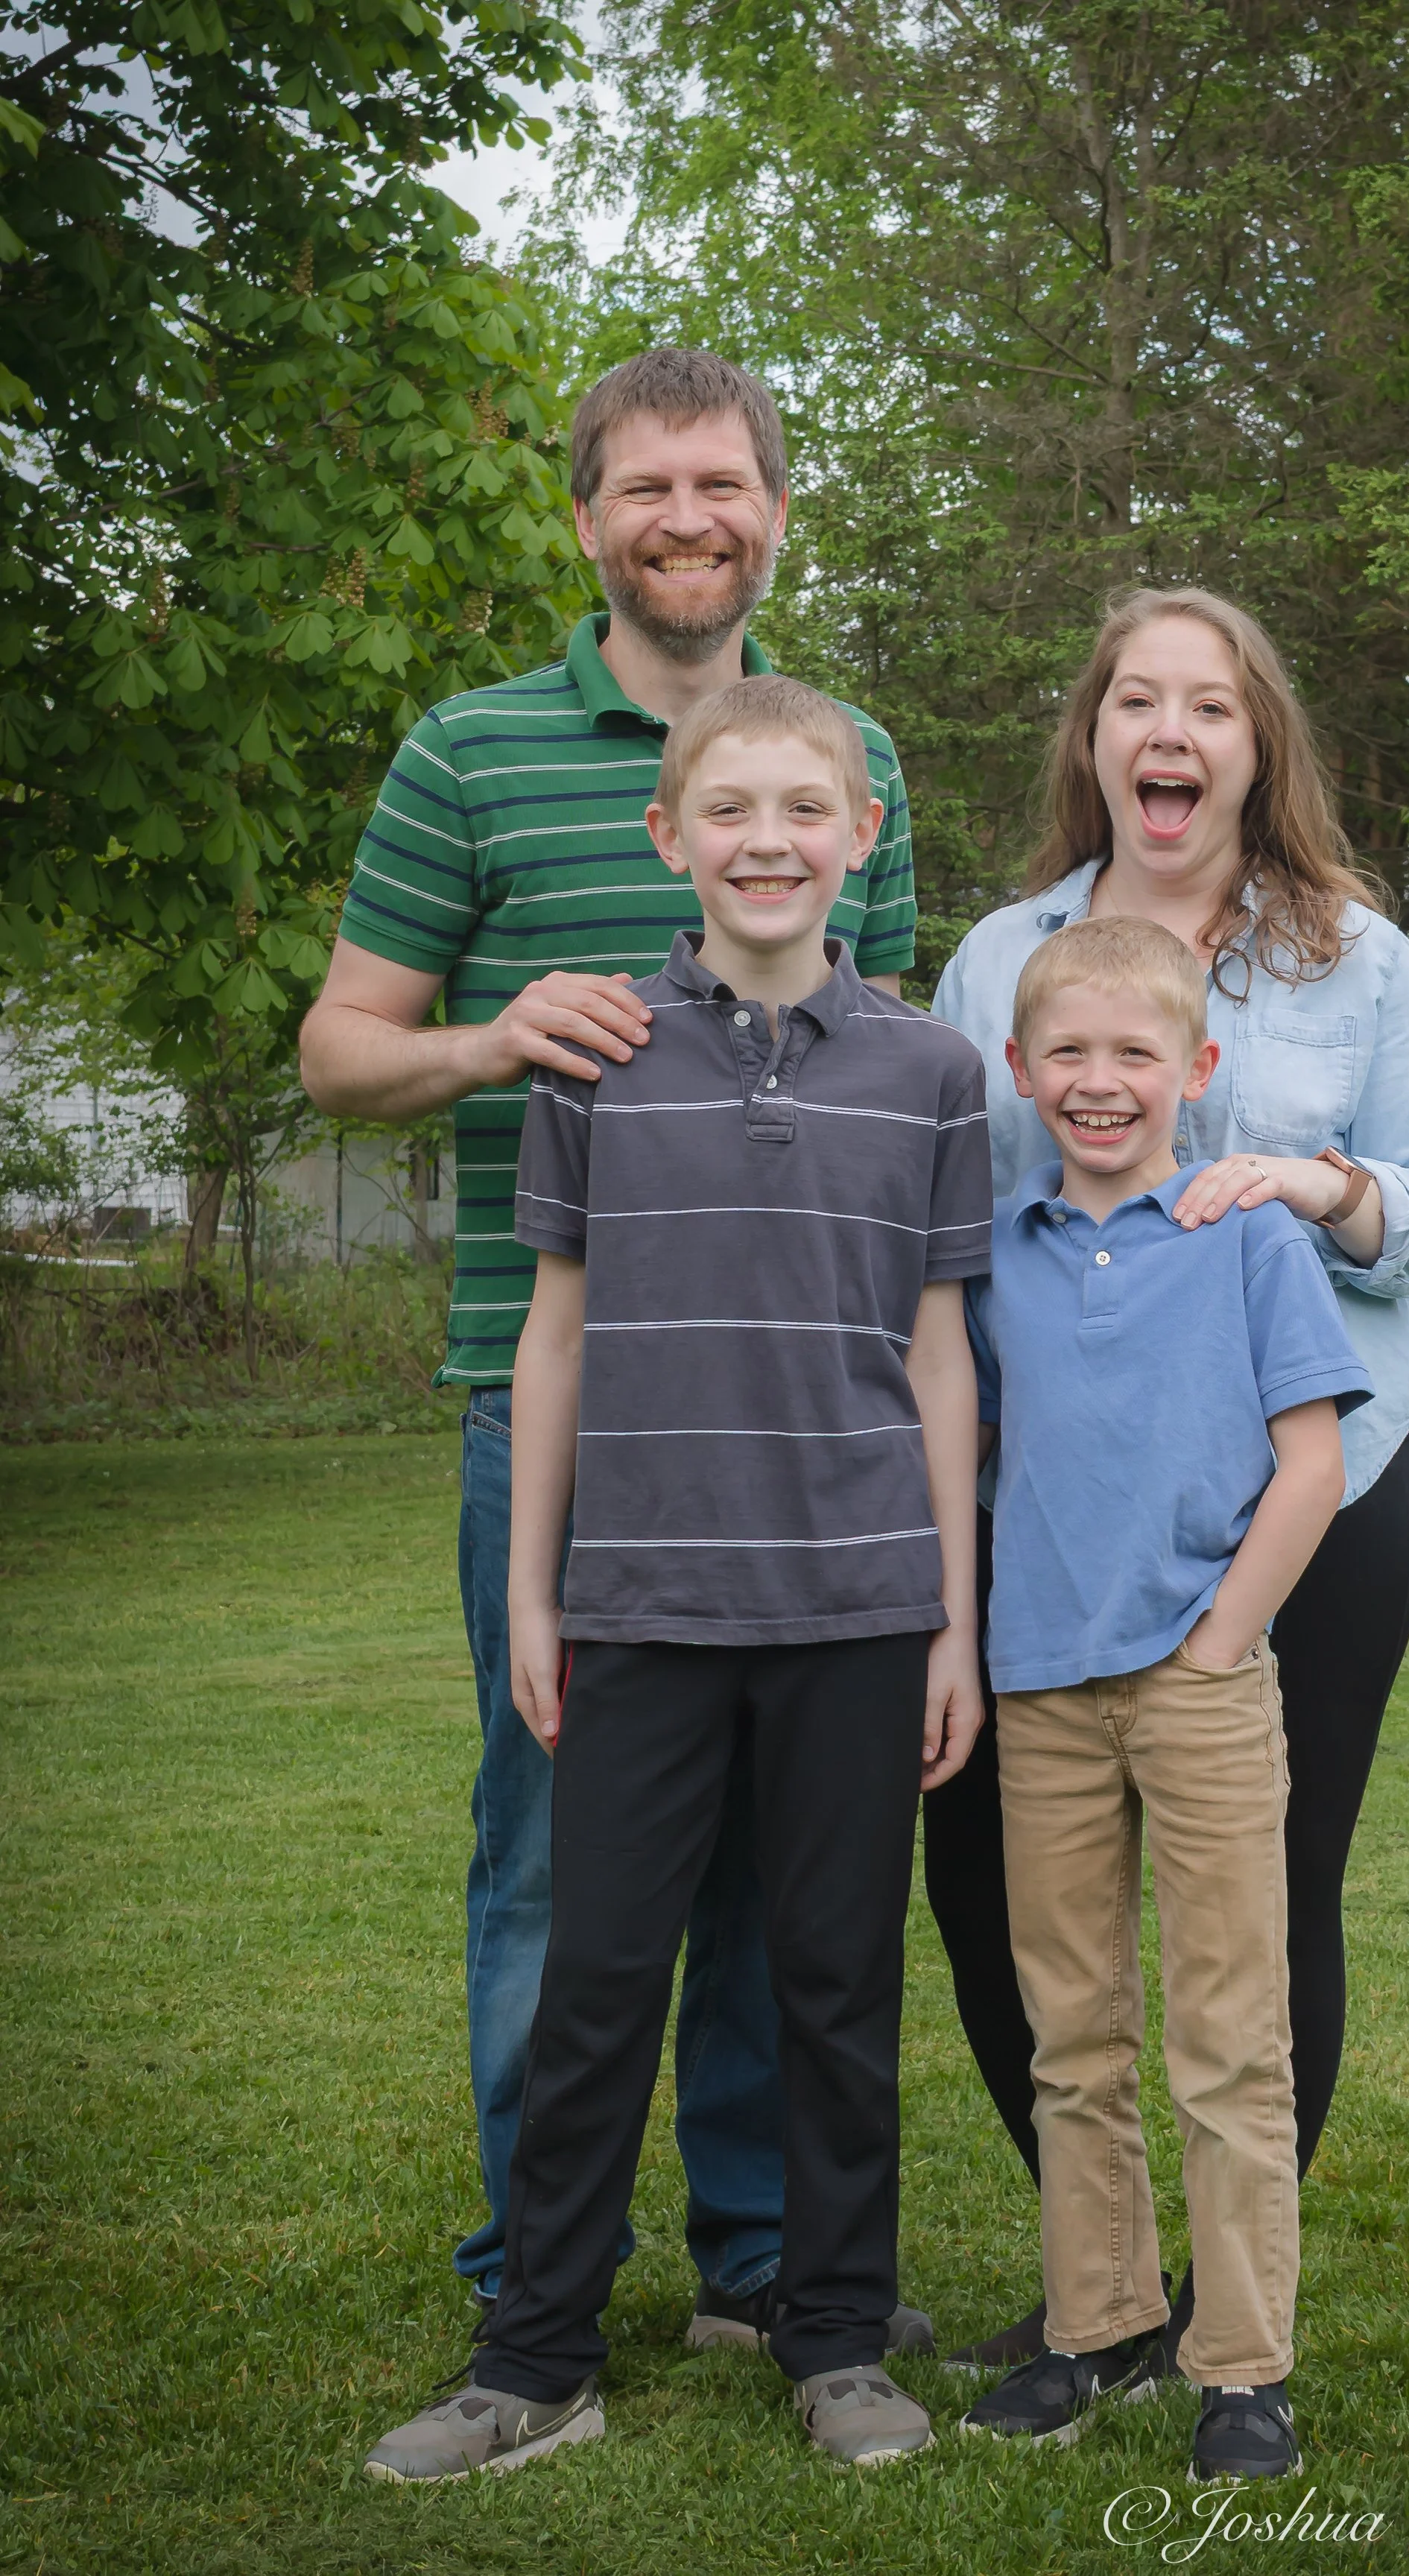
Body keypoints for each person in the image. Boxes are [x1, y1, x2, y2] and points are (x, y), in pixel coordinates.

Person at [298, 351, 925, 2346]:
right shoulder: (467, 754)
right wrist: (496, 1037)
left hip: (802, 1416)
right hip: (553, 1392)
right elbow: (336, 1051)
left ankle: (758, 2260)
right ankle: (535, 2269)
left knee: (780, 1872)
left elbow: (873, 1078)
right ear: (588, 520)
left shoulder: (845, 754)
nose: (687, 517)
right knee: (560, 1856)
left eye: (722, 484)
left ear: (772, 512)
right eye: (647, 487)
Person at [362, 676, 992, 2481]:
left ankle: (837, 2335)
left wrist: (948, 1614)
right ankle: (534, 2358)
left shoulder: (935, 1071)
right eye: (734, 812)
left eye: (809, 810)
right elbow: (551, 1339)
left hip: (862, 1612)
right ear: (673, 838)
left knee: (833, 1987)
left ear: (863, 834)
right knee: (599, 1982)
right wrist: (542, 1600)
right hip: (638, 1605)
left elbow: (940, 1357)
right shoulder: (604, 1056)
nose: (771, 841)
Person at [928, 586, 1409, 2370]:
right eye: (1138, 701)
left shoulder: (1359, 959)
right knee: (986, 1888)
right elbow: (947, 1232)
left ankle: (1224, 2308)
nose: (1172, 733)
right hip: (1062, 1520)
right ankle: (1107, 2279)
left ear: (1259, 749)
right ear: (1094, 737)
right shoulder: (996, 956)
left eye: (1213, 707)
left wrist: (1321, 1189)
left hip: (1319, 1485)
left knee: (1273, 1889)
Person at [957, 915, 1372, 2476]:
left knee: (1224, 2034)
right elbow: (976, 1451)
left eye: (1135, 1052)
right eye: (1067, 1051)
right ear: (1020, 1072)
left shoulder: (1249, 1233)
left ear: (1197, 1071)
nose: (1100, 1079)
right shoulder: (996, 1252)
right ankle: (1096, 2325)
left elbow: (1314, 1464)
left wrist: (1216, 1646)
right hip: (1043, 1689)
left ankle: (1243, 2366)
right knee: (1072, 2032)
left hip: (1198, 1690)